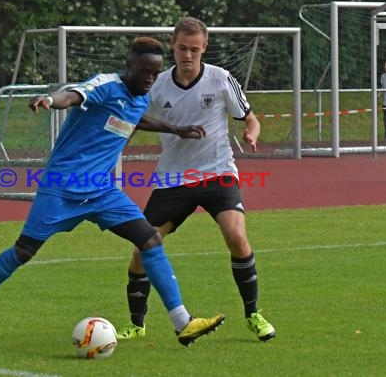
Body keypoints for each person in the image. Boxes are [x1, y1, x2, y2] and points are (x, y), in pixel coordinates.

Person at [0, 36, 224, 349]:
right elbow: (73, 96)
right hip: (61, 188)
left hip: (103, 191)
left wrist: (175, 128)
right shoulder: (105, 85)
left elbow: (134, 117)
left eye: (154, 73)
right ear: (129, 65)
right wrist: (51, 101)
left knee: (150, 240)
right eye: (144, 71)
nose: (149, 78)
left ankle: (182, 323)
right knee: (23, 251)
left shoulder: (141, 97)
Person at [116, 17, 276, 342]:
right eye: (182, 48)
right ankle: (136, 323)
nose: (187, 55)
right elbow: (130, 121)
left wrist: (251, 132)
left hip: (218, 173)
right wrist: (111, 145)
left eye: (194, 49)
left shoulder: (220, 79)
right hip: (173, 180)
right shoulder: (157, 84)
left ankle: (253, 314)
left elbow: (251, 117)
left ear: (204, 48)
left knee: (236, 236)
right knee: (142, 247)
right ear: (172, 45)